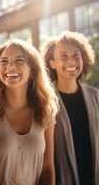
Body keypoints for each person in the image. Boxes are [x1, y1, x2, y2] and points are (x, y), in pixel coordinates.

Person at [0, 38, 59, 185]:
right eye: (4, 61)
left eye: (19, 61)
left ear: (32, 70)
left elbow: (48, 168)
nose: (10, 67)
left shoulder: (46, 108)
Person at [41, 31, 99, 185]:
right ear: (52, 62)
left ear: (83, 58)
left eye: (76, 55)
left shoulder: (95, 96)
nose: (71, 61)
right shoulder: (45, 99)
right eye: (63, 56)